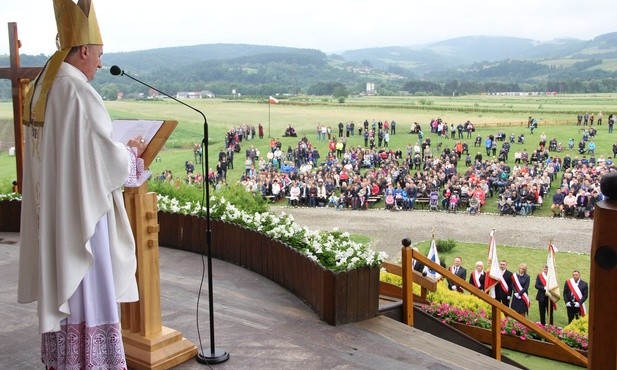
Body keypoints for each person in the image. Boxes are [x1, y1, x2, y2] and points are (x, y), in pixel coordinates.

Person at [18, 1, 142, 368]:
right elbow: (105, 157)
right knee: (88, 281)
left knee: (67, 286)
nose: (101, 64)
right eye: (100, 55)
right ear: (85, 50)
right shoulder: (78, 90)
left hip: (57, 210)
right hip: (83, 215)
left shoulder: (46, 84)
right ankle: (91, 362)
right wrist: (131, 153)